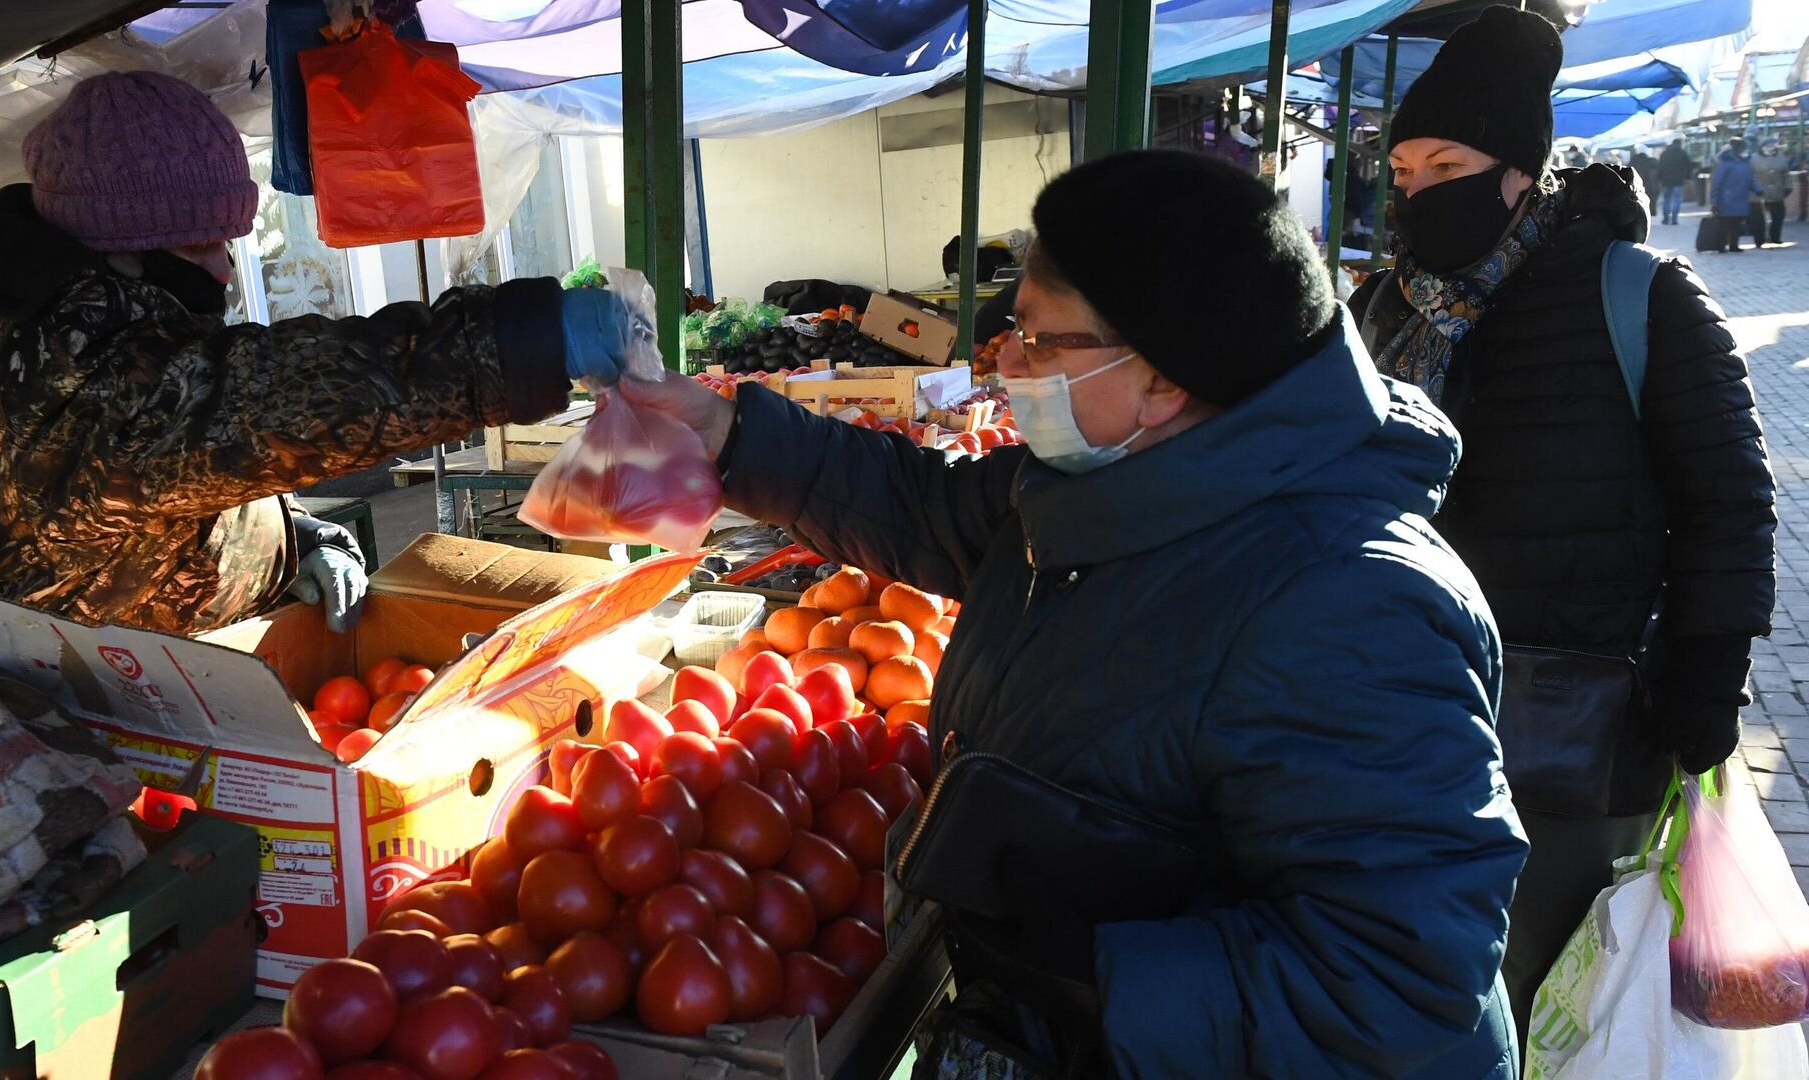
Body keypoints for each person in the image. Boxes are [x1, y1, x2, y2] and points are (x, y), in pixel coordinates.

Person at [630, 149, 1527, 1077]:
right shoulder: (1101, 486)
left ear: (1163, 379)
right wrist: (727, 433)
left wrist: (1093, 977)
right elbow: (924, 507)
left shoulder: (1350, 605)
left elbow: (1399, 978)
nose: (1006, 361)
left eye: (1039, 339)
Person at [0, 71, 630, 684]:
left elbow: (164, 477)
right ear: (105, 249)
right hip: (5, 717)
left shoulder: (70, 318)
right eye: (195, 243)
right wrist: (526, 340)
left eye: (229, 238)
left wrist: (286, 535)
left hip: (118, 679)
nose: (223, 268)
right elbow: (278, 401)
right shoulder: (59, 370)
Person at [1349, 6, 1776, 1038]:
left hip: (1575, 743)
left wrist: (1705, 673)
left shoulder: (1641, 295)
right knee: (1418, 1003)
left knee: (1559, 998)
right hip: (1387, 728)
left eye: (1444, 161)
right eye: (1402, 173)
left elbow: (1729, 497)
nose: (1417, 191)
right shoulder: (1380, 310)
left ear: (1517, 172)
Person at [1711, 136, 1761, 252]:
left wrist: (1758, 189)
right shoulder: (1726, 164)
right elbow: (1717, 183)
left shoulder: (1746, 163)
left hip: (1740, 198)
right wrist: (1714, 200)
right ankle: (1721, 246)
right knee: (1725, 224)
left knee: (1737, 224)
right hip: (1727, 199)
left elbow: (1751, 179)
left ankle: (1734, 245)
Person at [1753, 135, 1793, 247]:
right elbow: (1750, 176)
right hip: (1759, 193)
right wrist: (1754, 189)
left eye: (1773, 145)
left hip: (1777, 192)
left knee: (1778, 216)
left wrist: (1788, 187)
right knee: (1759, 219)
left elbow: (1786, 174)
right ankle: (1759, 240)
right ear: (1762, 147)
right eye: (1768, 146)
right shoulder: (1754, 158)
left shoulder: (1781, 157)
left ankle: (1775, 237)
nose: (1771, 148)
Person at [1657, 136, 1695, 225]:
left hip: (1666, 180)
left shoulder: (1665, 153)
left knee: (1666, 199)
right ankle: (1674, 219)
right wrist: (1688, 178)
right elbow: (1689, 165)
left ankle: (1666, 218)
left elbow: (1660, 167)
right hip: (1679, 180)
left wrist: (1660, 179)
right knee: (1676, 199)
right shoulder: (1683, 153)